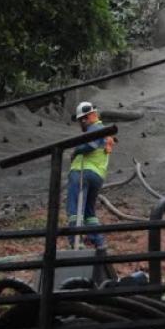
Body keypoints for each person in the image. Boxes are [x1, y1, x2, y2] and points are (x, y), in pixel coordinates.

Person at [65, 101, 115, 248]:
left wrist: (75, 151)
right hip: (97, 176)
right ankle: (99, 242)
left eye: (81, 121)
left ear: (85, 118)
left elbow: (90, 145)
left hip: (82, 172)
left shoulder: (95, 128)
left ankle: (76, 244)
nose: (81, 124)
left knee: (74, 210)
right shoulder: (105, 132)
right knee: (89, 212)